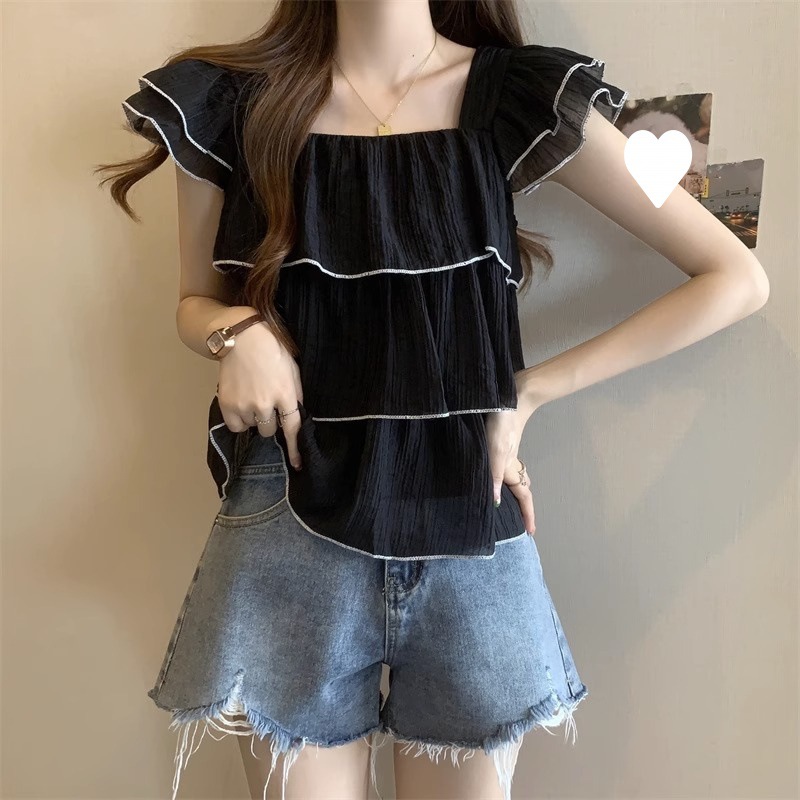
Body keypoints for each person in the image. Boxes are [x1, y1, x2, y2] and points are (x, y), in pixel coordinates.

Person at [95, 1, 769, 799]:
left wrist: (529, 393)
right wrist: (238, 334)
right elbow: (193, 301)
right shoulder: (233, 101)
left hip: (471, 527)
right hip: (288, 525)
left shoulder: (516, 96)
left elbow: (734, 278)